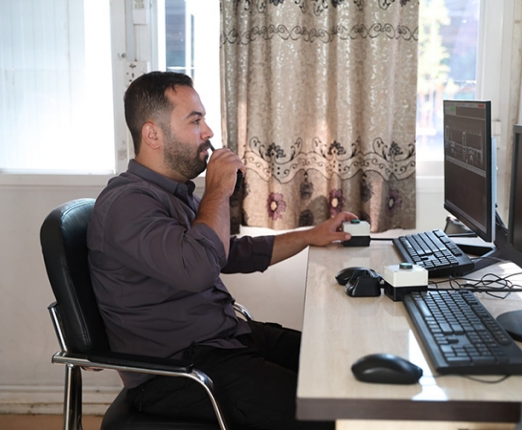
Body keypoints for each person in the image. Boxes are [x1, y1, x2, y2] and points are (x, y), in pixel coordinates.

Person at [87, 71, 356, 430]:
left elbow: (228, 252)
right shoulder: (127, 204)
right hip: (179, 372)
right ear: (153, 134)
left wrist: (310, 235)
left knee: (341, 365)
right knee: (326, 413)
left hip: (223, 339)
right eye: (195, 120)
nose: (208, 131)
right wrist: (218, 189)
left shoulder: (170, 192)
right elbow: (199, 268)